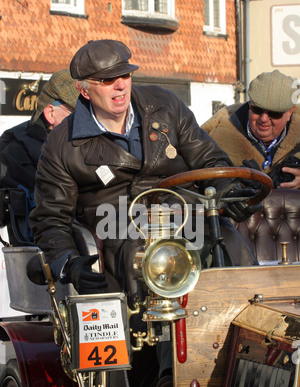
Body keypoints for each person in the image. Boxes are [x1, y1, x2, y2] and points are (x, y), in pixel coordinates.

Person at [29, 39, 261, 302]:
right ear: (84, 90)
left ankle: (246, 323)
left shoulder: (165, 106)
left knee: (228, 242)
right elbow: (51, 218)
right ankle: (151, 338)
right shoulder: (62, 143)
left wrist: (226, 189)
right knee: (140, 256)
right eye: (107, 80)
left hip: (185, 215)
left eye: (125, 75)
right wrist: (69, 264)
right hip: (117, 227)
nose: (120, 85)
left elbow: (210, 160)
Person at [202, 70, 300, 189]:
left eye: (274, 114)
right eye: (257, 110)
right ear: (250, 105)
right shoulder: (215, 137)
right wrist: (234, 185)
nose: (263, 119)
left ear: (290, 112)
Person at [0, 69, 79, 194]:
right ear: (51, 114)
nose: (87, 121)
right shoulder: (16, 152)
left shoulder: (84, 142)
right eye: (78, 114)